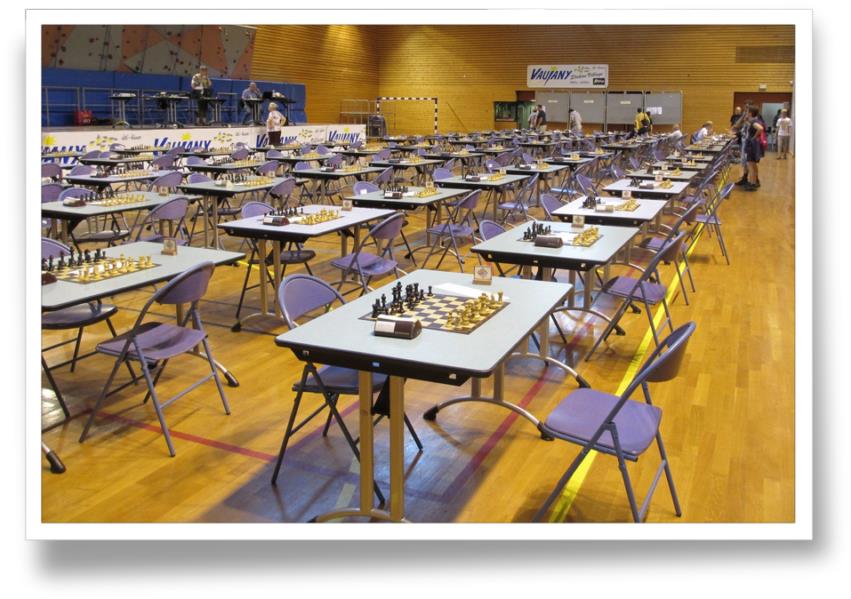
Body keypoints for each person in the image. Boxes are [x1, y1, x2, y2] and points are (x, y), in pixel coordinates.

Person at [742, 106, 765, 191]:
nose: (746, 113)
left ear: (750, 113)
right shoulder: (754, 121)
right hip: (753, 145)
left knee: (751, 165)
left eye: (747, 112)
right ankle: (754, 182)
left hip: (751, 146)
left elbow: (760, 128)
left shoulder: (753, 121)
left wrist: (754, 137)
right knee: (754, 165)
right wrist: (746, 121)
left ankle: (752, 184)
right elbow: (752, 127)